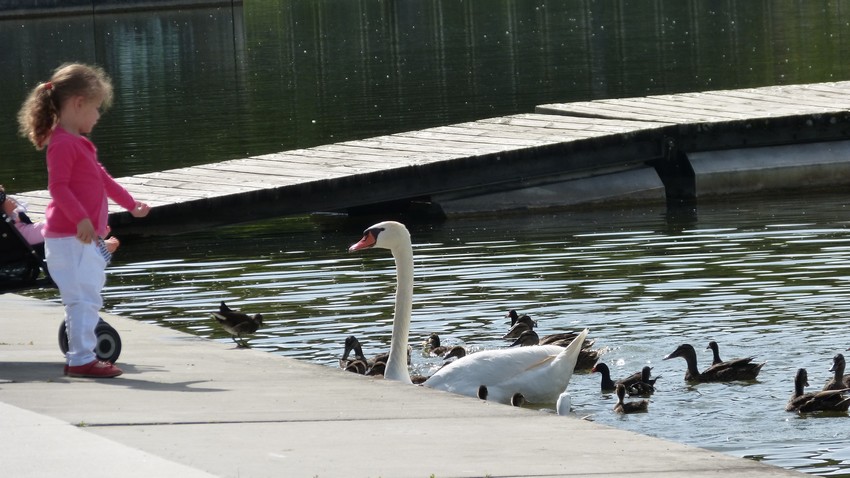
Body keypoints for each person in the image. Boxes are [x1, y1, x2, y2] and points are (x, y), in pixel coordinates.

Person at [16, 63, 150, 378]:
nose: (98, 115)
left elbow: (102, 180)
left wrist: (131, 205)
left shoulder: (77, 142)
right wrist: (81, 220)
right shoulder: (62, 143)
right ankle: (81, 360)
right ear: (78, 103)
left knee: (87, 295)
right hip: (69, 238)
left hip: (78, 238)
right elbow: (57, 187)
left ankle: (82, 356)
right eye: (95, 108)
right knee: (83, 298)